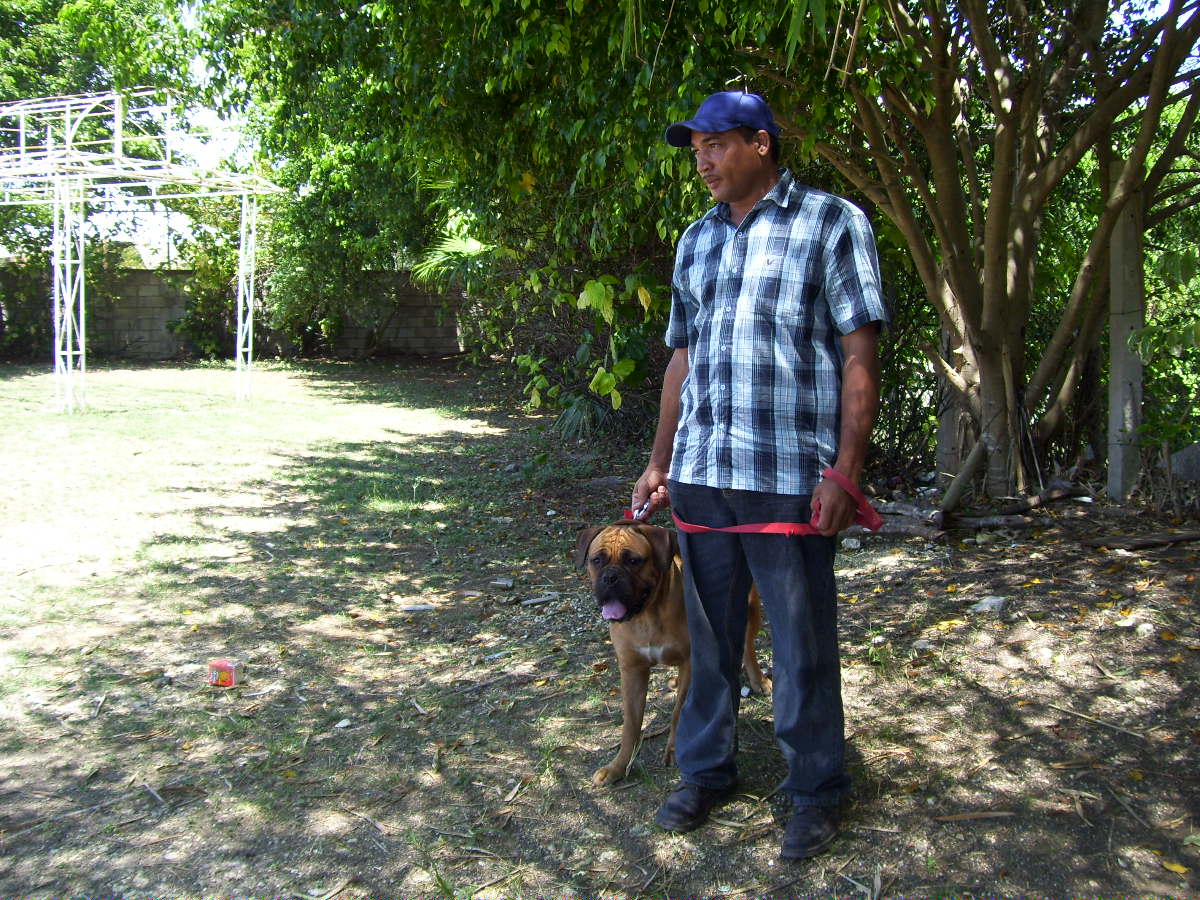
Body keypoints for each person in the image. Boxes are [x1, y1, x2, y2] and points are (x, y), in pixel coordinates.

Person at [631, 89, 888, 860]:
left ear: (762, 143)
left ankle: (816, 789)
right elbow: (682, 357)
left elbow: (860, 351)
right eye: (696, 149)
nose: (702, 161)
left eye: (715, 144)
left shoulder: (831, 222)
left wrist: (845, 472)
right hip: (703, 475)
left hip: (788, 478)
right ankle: (706, 771)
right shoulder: (695, 240)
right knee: (708, 637)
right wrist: (660, 459)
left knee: (803, 643)